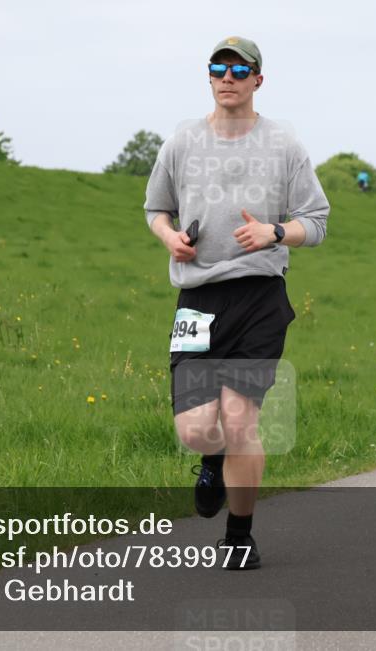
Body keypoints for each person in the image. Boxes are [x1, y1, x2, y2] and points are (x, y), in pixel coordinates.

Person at [144, 36, 329, 568]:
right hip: (198, 298)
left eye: (239, 69)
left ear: (257, 80)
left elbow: (315, 223)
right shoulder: (181, 142)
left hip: (259, 297)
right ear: (208, 77)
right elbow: (156, 209)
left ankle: (240, 538)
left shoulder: (285, 146)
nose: (228, 77)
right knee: (198, 428)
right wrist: (169, 237)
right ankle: (211, 459)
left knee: (240, 419)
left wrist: (275, 232)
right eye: (218, 68)